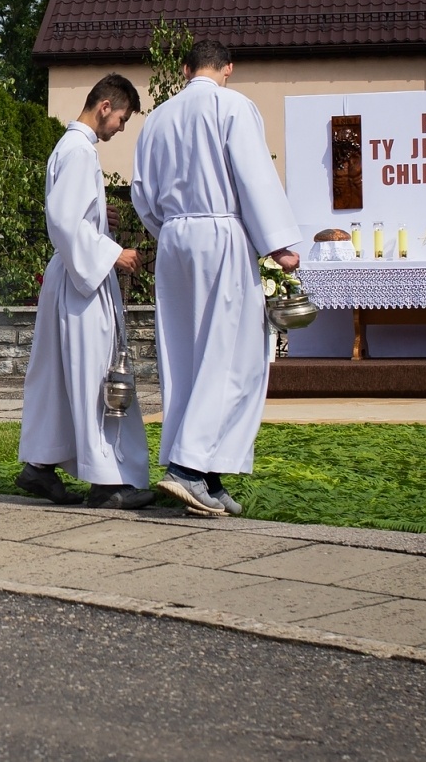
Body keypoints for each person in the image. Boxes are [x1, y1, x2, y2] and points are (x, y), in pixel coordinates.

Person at [131, 39, 300, 517]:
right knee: (231, 357)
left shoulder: (158, 118)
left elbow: (142, 191)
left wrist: (168, 233)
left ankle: (209, 475)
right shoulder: (233, 106)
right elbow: (252, 174)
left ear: (185, 69)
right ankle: (188, 469)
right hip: (221, 232)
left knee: (184, 356)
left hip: (174, 238)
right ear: (228, 67)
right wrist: (278, 243)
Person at [17, 74, 154, 510]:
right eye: (122, 118)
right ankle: (107, 481)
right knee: (95, 374)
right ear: (105, 106)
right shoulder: (79, 152)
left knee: (61, 376)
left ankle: (40, 465)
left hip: (72, 276)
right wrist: (113, 252)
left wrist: (100, 220)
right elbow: (63, 223)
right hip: (83, 282)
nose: (121, 128)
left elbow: (73, 217)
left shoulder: (70, 148)